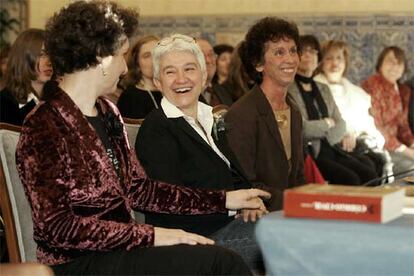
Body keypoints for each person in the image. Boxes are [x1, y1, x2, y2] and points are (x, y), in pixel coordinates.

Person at [16, 1, 270, 275]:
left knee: (218, 257)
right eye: (122, 54)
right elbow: (57, 228)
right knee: (220, 261)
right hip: (78, 263)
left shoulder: (108, 112)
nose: (126, 68)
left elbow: (141, 190)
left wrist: (224, 200)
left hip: (124, 252)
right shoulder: (45, 124)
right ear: (102, 57)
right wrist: (151, 236)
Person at [136, 34, 266, 272]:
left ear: (204, 75)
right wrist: (230, 205)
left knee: (293, 227)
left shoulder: (209, 118)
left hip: (227, 225)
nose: (181, 79)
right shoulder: (157, 128)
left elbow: (235, 176)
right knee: (285, 239)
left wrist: (249, 203)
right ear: (157, 81)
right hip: (192, 240)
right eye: (170, 72)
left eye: (189, 69)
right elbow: (166, 203)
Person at [225, 17, 305, 211]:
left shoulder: (293, 110)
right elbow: (244, 182)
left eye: (293, 50)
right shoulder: (241, 114)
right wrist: (294, 202)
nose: (290, 59)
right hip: (258, 214)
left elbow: (298, 177)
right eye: (279, 52)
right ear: (258, 64)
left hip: (289, 212)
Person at [288, 35, 378, 185]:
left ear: (318, 58)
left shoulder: (323, 88)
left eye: (313, 51)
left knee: (370, 173)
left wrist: (327, 129)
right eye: (303, 50)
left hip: (333, 147)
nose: (309, 55)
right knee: (351, 179)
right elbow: (302, 129)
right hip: (312, 154)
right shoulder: (289, 89)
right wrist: (327, 123)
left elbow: (341, 123)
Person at [314, 40, 387, 177]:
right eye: (329, 58)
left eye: (339, 58)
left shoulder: (356, 92)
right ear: (321, 63)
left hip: (357, 145)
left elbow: (368, 125)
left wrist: (356, 132)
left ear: (345, 62)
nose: (335, 63)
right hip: (330, 147)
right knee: (366, 173)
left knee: (378, 162)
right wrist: (344, 132)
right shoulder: (315, 88)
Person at [362, 46, 414, 176]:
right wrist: (406, 150)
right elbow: (377, 127)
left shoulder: (403, 90)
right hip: (378, 145)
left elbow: (403, 126)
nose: (394, 66)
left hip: (397, 146)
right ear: (380, 64)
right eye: (390, 61)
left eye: (399, 63)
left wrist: (412, 144)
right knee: (411, 167)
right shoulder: (373, 86)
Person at [0, 29, 52, 126]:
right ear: (24, 59)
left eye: (51, 54)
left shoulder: (58, 99)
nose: (49, 62)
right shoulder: (4, 103)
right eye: (41, 55)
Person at [117, 35, 162, 118]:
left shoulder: (172, 92)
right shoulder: (129, 97)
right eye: (147, 56)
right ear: (137, 62)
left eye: (158, 54)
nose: (154, 60)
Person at [197, 38, 233, 106]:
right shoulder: (186, 94)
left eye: (210, 55)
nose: (208, 60)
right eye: (201, 55)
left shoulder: (225, 91)